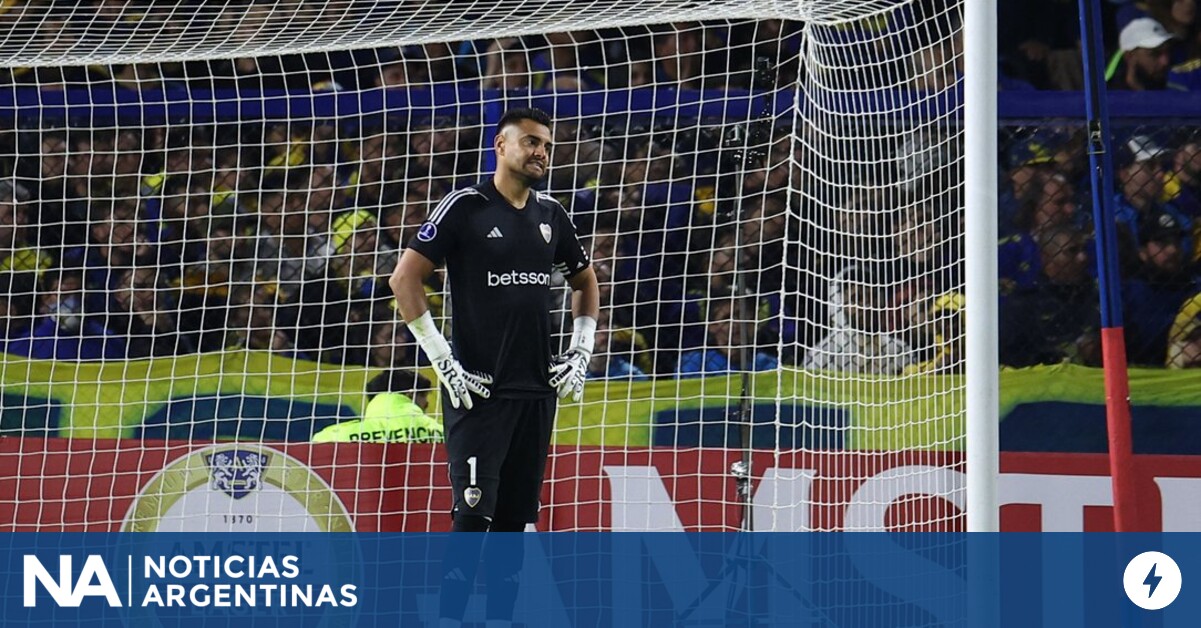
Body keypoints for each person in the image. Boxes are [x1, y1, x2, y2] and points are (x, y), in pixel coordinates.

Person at [389, 107, 599, 628]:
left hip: (536, 390)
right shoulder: (466, 206)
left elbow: (586, 283)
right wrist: (443, 359)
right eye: (530, 142)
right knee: (474, 515)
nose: (541, 153)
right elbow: (403, 280)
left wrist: (581, 347)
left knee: (513, 524)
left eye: (547, 145)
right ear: (500, 146)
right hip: (476, 390)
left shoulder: (552, 214)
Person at [311, 368, 443, 443]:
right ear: (410, 395)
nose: (426, 404)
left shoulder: (331, 438)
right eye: (423, 396)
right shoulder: (444, 435)